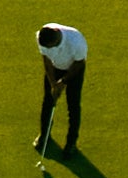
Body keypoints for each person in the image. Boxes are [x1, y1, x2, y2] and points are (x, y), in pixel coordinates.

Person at [33, 20, 89, 157]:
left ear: (58, 38)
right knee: (48, 102)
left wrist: (63, 82)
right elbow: (46, 60)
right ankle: (44, 135)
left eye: (52, 47)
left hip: (73, 71)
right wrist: (53, 83)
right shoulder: (42, 36)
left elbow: (79, 63)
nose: (50, 50)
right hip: (54, 69)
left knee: (73, 106)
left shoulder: (76, 41)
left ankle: (71, 144)